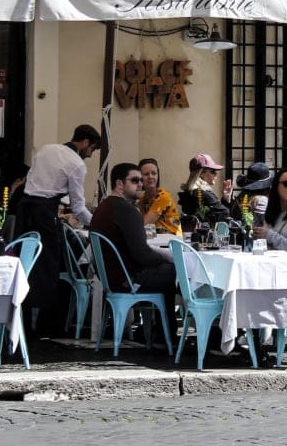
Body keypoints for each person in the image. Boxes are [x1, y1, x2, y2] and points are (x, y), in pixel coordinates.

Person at [16, 124, 99, 334]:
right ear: (86, 143)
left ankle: (21, 318)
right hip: (44, 215)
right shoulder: (76, 164)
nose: (90, 155)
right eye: (92, 150)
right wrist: (98, 223)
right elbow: (79, 207)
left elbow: (37, 182)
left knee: (24, 263)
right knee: (47, 267)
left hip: (25, 211)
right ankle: (44, 325)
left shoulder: (46, 149)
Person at [90, 162, 177, 342]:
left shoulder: (105, 206)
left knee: (168, 271)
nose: (141, 184)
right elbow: (142, 255)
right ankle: (166, 334)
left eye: (141, 180)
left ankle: (159, 331)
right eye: (135, 180)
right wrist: (164, 256)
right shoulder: (126, 210)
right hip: (126, 279)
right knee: (177, 272)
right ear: (120, 184)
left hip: (110, 277)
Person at [178, 153, 230, 224]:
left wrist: (225, 198)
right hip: (205, 233)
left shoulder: (189, 193)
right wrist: (226, 201)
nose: (216, 174)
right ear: (201, 174)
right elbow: (225, 214)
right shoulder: (204, 194)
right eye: (213, 171)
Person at [137, 158, 181, 236]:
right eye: (146, 174)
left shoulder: (163, 197)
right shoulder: (142, 198)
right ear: (140, 178)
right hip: (156, 239)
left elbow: (144, 223)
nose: (150, 177)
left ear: (158, 176)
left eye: (154, 173)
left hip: (172, 240)